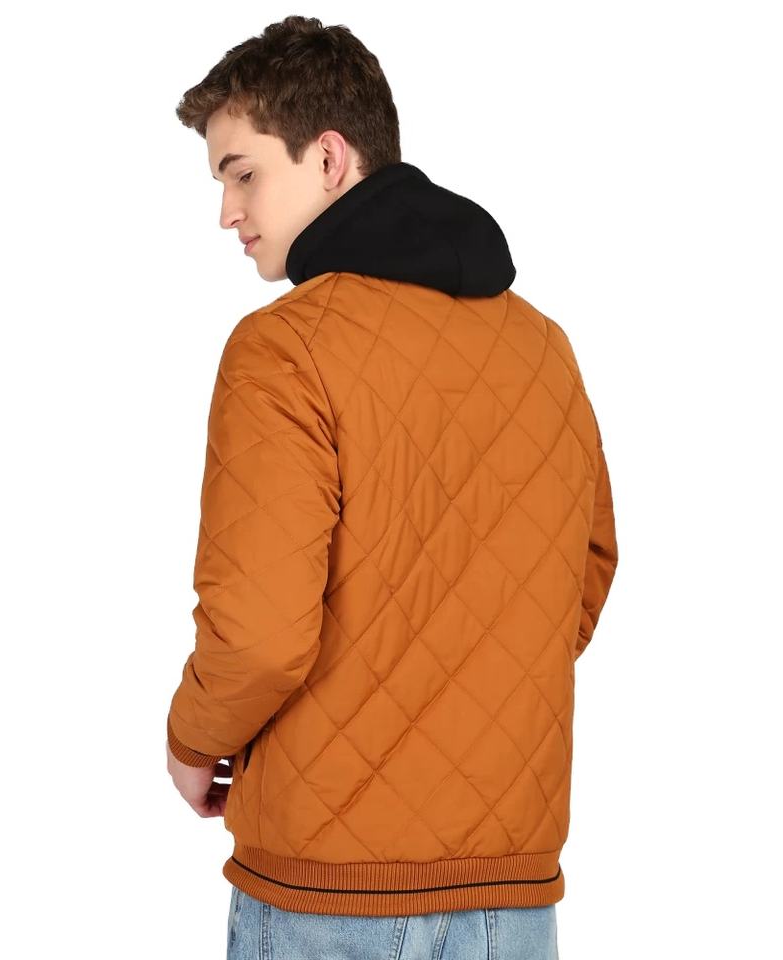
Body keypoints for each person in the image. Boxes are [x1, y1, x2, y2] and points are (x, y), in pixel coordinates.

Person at [164, 15, 618, 960]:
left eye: (242, 174)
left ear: (330, 158)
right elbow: (583, 570)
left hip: (325, 894)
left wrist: (193, 739)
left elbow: (258, 633)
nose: (226, 213)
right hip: (510, 897)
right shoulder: (542, 346)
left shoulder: (283, 350)